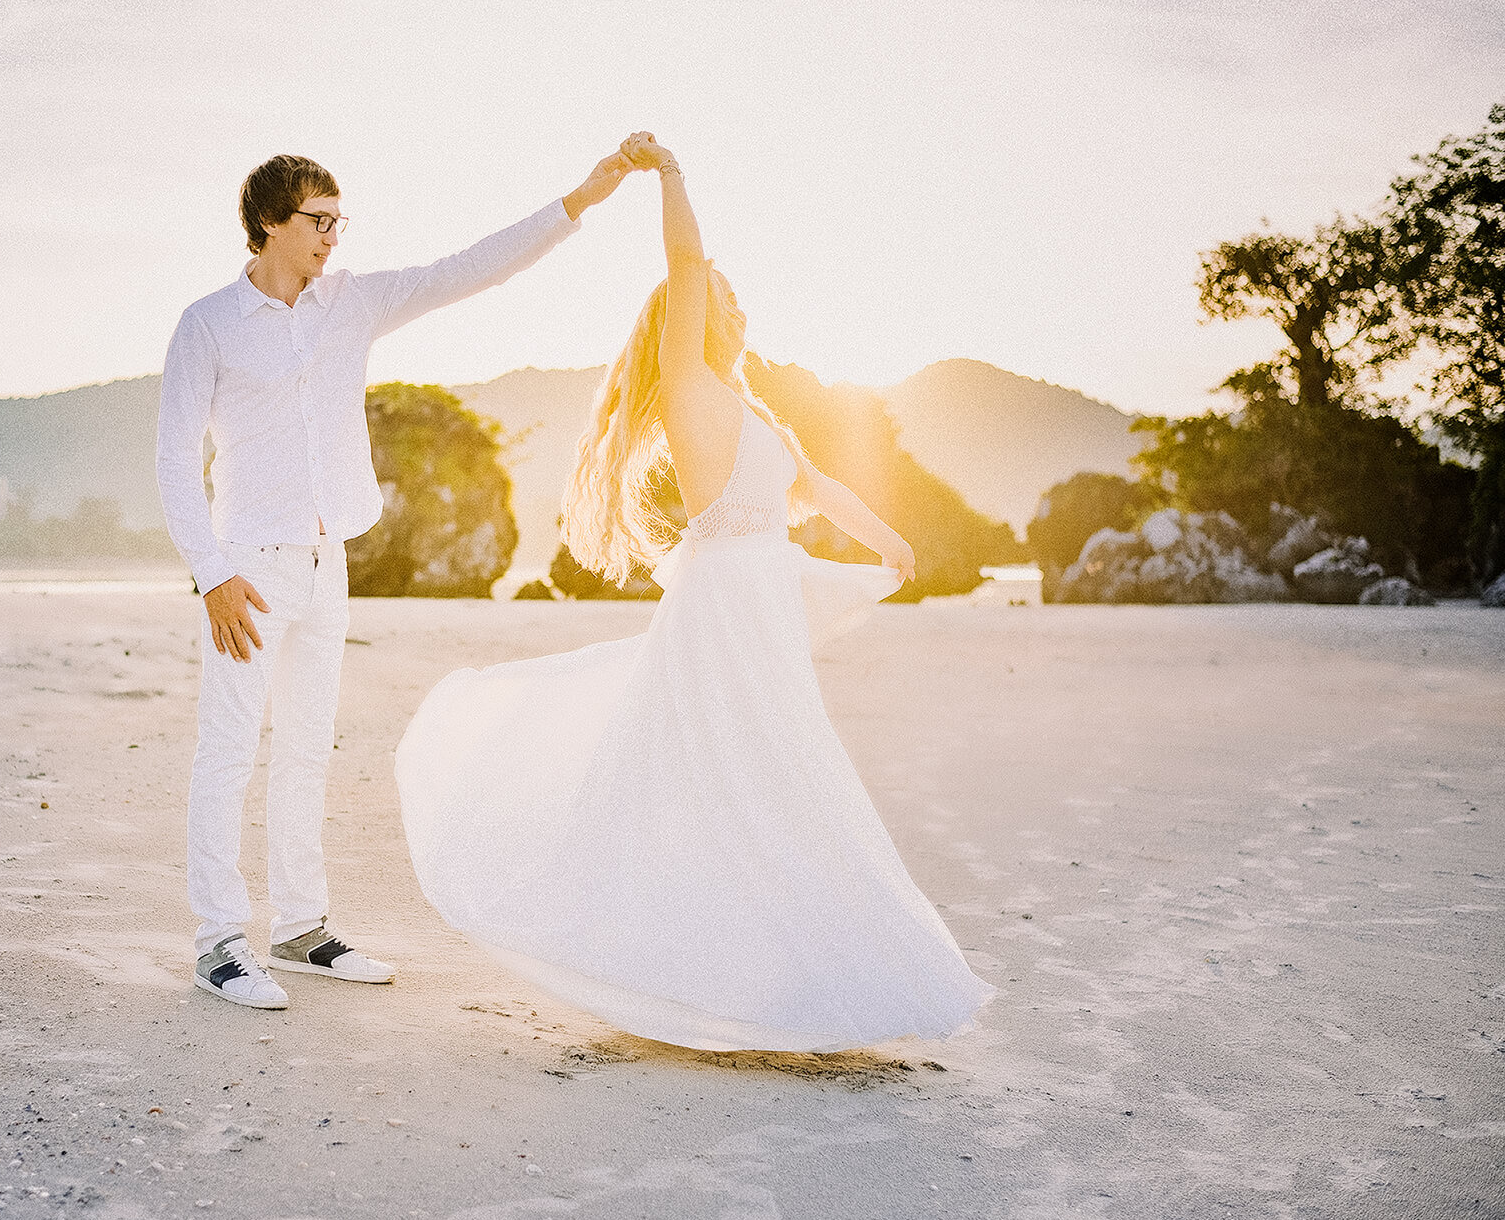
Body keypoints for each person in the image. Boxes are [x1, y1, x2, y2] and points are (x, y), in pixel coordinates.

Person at [394, 133, 994, 1051]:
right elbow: (685, 261)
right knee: (730, 772)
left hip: (759, 605)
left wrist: (891, 543)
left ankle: (795, 975)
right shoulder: (690, 388)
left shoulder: (750, 406)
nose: (735, 300)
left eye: (733, 292)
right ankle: (719, 973)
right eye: (722, 293)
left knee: (779, 773)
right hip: (721, 608)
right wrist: (669, 177)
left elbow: (817, 488)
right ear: (689, 312)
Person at [157, 145, 641, 1009]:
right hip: (249, 571)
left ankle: (302, 928)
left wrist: (581, 200)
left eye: (341, 221)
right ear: (270, 221)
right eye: (319, 221)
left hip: (326, 561)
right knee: (228, 754)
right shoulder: (208, 324)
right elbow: (171, 458)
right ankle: (219, 941)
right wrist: (212, 575)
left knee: (307, 750)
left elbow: (470, 270)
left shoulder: (354, 302)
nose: (333, 237)